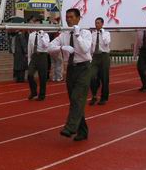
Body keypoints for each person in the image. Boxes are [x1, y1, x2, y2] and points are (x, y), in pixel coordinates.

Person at [47, 8, 92, 141]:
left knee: (77, 97)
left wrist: (77, 35)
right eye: (67, 17)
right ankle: (83, 131)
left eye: (71, 17)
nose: (68, 19)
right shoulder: (64, 35)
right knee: (74, 100)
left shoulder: (86, 33)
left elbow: (85, 49)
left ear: (78, 18)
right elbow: (49, 47)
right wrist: (61, 48)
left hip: (84, 67)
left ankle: (70, 127)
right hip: (71, 69)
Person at [89, 17, 111, 106]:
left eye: (98, 23)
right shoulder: (93, 34)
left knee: (104, 78)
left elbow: (107, 42)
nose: (96, 25)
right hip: (95, 57)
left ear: (102, 24)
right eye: (96, 23)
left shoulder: (107, 33)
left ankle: (103, 97)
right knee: (91, 76)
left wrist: (102, 33)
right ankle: (94, 95)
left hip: (104, 56)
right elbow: (90, 47)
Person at [27, 27, 50, 100]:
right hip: (34, 56)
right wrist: (29, 59)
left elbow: (46, 45)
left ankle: (42, 95)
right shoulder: (31, 35)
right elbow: (29, 47)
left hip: (42, 55)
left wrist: (42, 36)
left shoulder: (45, 34)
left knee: (42, 77)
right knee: (30, 75)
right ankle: (34, 92)